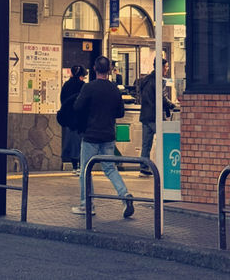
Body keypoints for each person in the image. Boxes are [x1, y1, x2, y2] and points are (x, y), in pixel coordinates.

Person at [72, 54, 134, 218]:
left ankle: (87, 205)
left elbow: (77, 107)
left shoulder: (89, 87)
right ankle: (125, 195)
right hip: (108, 135)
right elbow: (120, 112)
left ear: (94, 69)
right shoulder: (114, 88)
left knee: (86, 170)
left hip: (91, 135)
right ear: (109, 70)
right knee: (110, 168)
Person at [139, 58, 176, 176]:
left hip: (145, 116)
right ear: (160, 67)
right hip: (155, 117)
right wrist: (172, 105)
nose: (167, 69)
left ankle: (144, 168)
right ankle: (165, 166)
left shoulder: (145, 80)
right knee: (165, 141)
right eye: (166, 66)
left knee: (146, 144)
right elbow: (162, 98)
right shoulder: (159, 81)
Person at [60, 65, 87, 174]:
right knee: (81, 143)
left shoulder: (66, 85)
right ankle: (81, 166)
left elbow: (62, 100)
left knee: (71, 143)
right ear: (80, 76)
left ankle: (74, 166)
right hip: (81, 119)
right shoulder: (83, 86)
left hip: (69, 119)